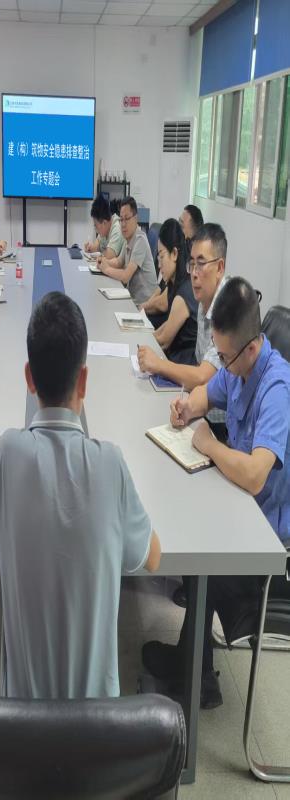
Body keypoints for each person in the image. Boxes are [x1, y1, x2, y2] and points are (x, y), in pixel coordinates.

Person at [0, 292, 161, 699]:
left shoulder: (8, 452)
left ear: (28, 378)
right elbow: (151, 557)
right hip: (98, 728)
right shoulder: (110, 461)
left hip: (22, 724)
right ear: (84, 381)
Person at [142, 277, 290, 709]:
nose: (220, 364)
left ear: (251, 348)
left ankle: (198, 679)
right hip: (239, 507)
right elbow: (209, 393)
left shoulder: (276, 389)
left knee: (196, 554)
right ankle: (192, 660)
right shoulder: (238, 367)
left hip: (265, 539)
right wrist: (188, 406)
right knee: (183, 523)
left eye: (225, 357)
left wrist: (209, 445)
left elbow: (256, 476)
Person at [138, 224, 227, 415]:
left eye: (201, 264)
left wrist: (158, 364)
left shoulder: (227, 307)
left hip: (218, 420)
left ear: (220, 267)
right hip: (198, 404)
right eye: (192, 264)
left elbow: (203, 377)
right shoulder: (203, 299)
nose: (194, 273)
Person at [146, 219, 197, 365]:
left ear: (174, 254)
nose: (159, 265)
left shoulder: (184, 293)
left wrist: (142, 343)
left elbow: (164, 340)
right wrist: (147, 338)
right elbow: (166, 326)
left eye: (161, 256)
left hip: (182, 366)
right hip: (174, 360)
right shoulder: (174, 285)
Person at [98, 196, 157, 306]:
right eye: (121, 219)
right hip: (132, 298)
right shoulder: (128, 238)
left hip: (145, 305)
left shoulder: (140, 240)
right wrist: (104, 262)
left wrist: (106, 269)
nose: (123, 224)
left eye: (127, 219)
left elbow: (125, 277)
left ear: (135, 218)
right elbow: (119, 262)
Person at [84, 194, 123, 259]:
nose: (96, 230)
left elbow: (109, 255)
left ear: (104, 223)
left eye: (96, 226)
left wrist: (98, 254)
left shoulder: (117, 229)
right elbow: (97, 244)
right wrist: (90, 248)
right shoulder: (105, 229)